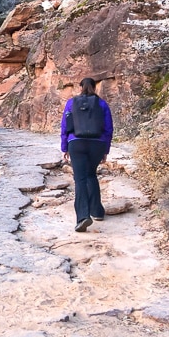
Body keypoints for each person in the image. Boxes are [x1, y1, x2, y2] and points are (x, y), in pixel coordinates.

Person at [60, 77, 114, 232]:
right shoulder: (102, 104)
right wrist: (105, 150)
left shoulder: (71, 103)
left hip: (76, 143)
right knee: (91, 174)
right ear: (95, 88)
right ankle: (97, 212)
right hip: (97, 144)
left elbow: (65, 126)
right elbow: (109, 129)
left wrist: (65, 147)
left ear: (80, 87)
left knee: (80, 178)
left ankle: (83, 217)